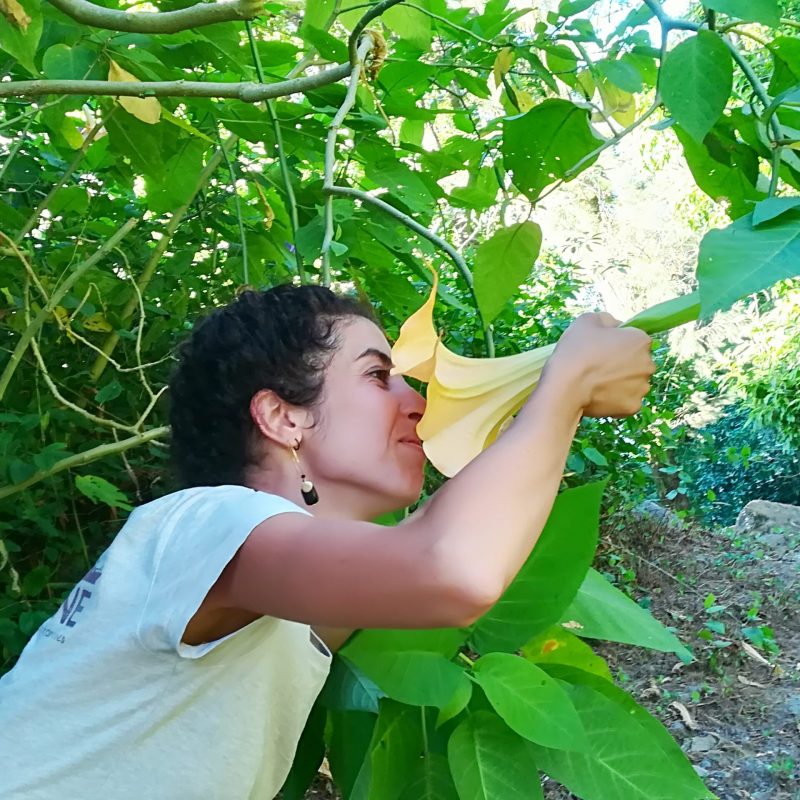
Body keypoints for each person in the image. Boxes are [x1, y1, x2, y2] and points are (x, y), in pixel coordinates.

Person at [0, 283, 655, 799]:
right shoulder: (206, 520)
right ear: (284, 417)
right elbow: (452, 567)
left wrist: (549, 394)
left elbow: (450, 546)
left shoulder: (290, 589)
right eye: (378, 376)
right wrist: (563, 384)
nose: (418, 402)